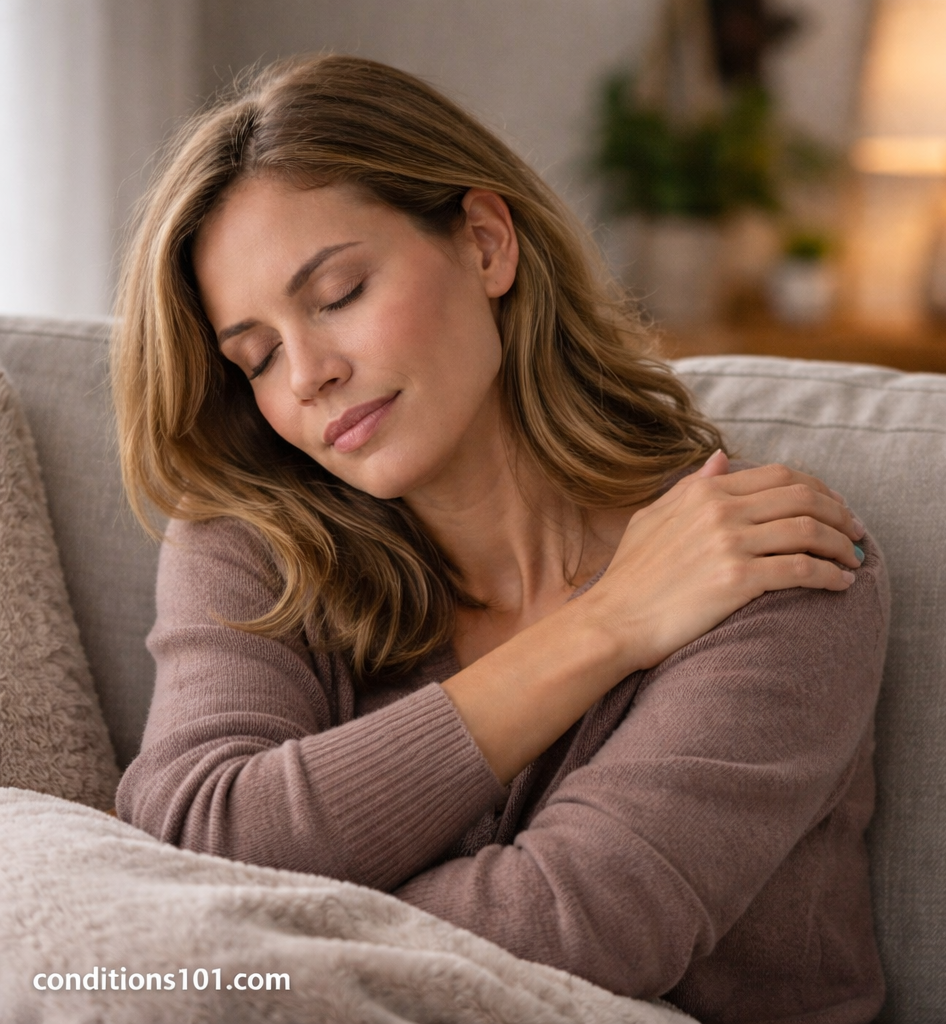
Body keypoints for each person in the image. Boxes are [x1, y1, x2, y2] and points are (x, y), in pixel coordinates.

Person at [113, 55, 889, 1022]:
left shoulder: (768, 563)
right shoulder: (258, 540)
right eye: (258, 356)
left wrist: (261, 922)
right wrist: (606, 626)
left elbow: (579, 934)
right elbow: (197, 833)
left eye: (340, 293)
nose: (307, 373)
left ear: (485, 244)